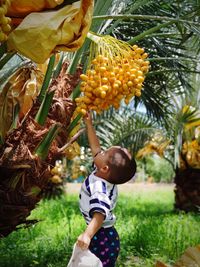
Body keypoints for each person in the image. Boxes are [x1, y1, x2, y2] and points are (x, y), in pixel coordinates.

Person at [76, 112, 137, 267]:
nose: (99, 151)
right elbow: (95, 148)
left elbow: (100, 213)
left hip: (102, 238)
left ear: (104, 168)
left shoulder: (99, 187)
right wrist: (89, 125)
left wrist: (87, 235)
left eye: (104, 152)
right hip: (104, 235)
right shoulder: (103, 173)